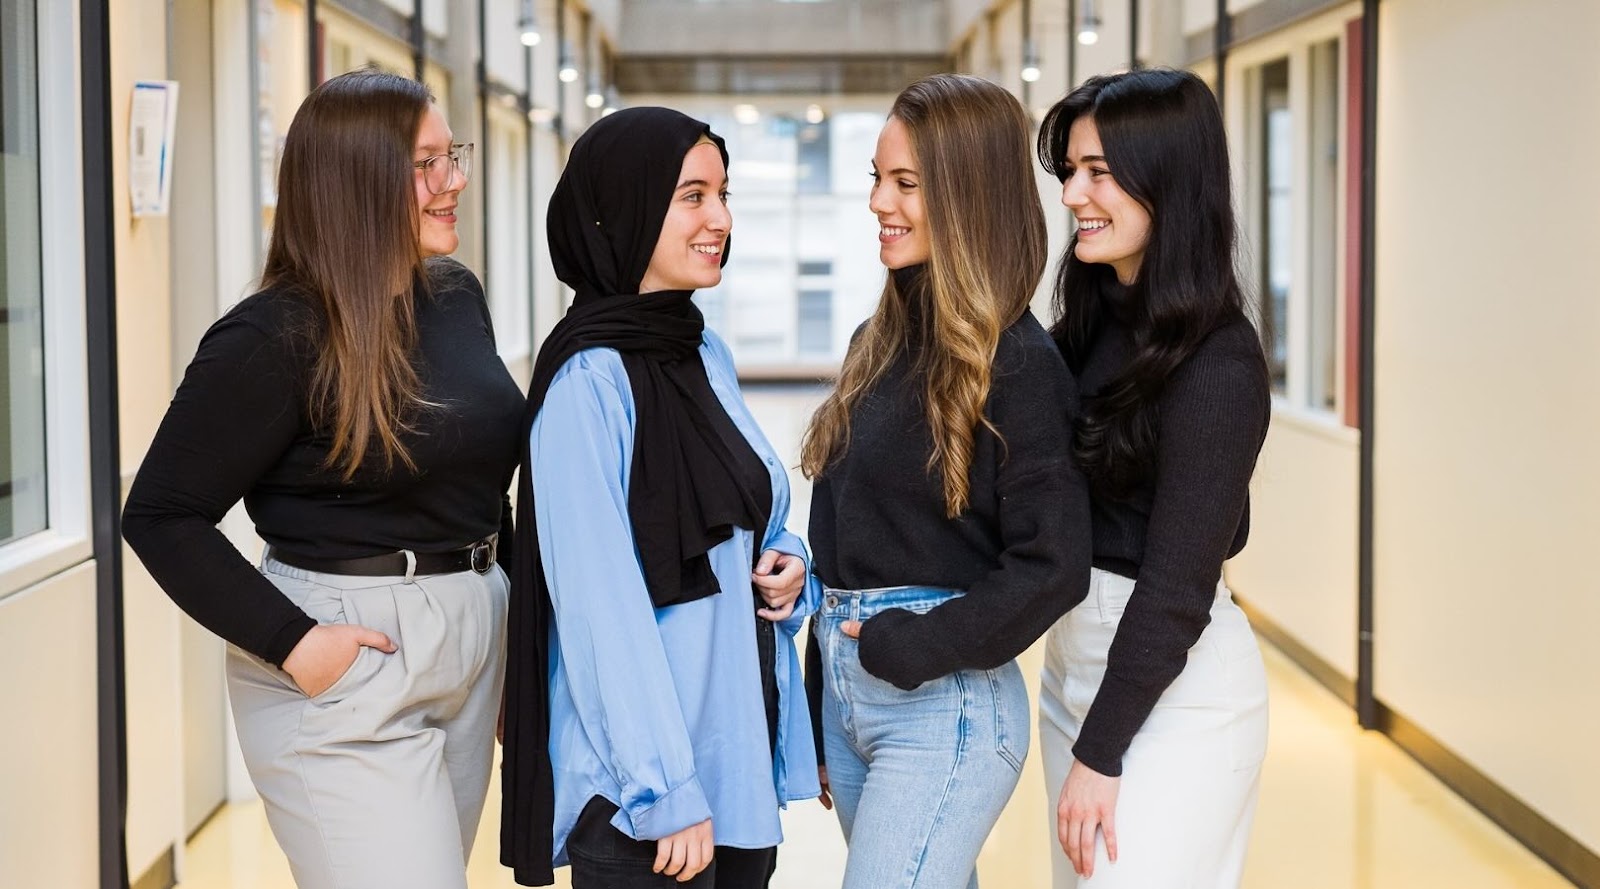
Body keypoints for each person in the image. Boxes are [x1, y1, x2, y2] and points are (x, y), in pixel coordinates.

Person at [122, 69, 520, 888]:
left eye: (456, 156)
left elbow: (483, 480)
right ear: (355, 180)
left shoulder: (453, 294)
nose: (456, 182)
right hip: (347, 655)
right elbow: (161, 513)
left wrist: (509, 633)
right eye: (427, 163)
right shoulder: (274, 334)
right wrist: (296, 644)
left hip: (475, 633)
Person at [499, 107, 820, 889]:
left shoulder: (704, 350)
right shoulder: (586, 384)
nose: (721, 219)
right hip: (644, 798)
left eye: (724, 194)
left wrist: (790, 562)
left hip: (732, 767)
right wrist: (664, 789)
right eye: (693, 196)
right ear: (626, 210)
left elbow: (758, 510)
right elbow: (599, 610)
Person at [799, 73, 1093, 889]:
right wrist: (825, 692)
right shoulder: (876, 340)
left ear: (966, 195)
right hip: (854, 699)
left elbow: (1054, 564)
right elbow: (841, 539)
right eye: (876, 179)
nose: (878, 204)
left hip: (946, 707)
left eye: (905, 183)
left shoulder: (1020, 363)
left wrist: (911, 644)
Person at [1033, 68, 1272, 888]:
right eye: (1070, 170)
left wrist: (1102, 751)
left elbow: (1177, 587)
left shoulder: (1219, 360)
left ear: (1166, 177)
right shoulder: (1088, 324)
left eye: (1098, 171)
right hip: (1073, 671)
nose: (1072, 194)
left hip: (1176, 691)